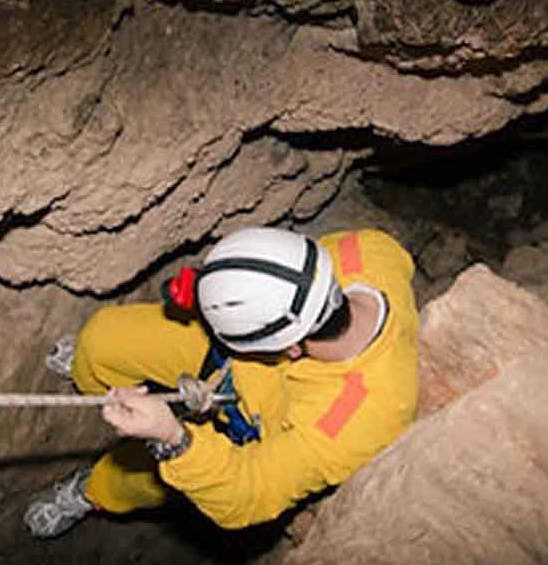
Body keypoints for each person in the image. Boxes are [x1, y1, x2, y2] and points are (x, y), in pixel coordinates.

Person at [25, 227, 419, 537]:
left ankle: (91, 493)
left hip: (255, 426)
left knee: (139, 476)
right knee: (102, 339)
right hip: (232, 355)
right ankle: (89, 379)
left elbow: (251, 492)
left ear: (291, 349)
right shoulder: (363, 249)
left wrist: (174, 439)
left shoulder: (360, 420)